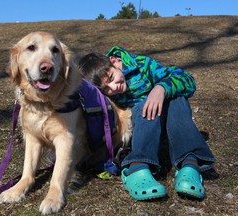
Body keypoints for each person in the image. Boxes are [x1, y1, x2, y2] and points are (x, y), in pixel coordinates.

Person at [78, 46, 216, 201]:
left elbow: (187, 79)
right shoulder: (101, 94)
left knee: (177, 97)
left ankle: (189, 163)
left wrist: (160, 89)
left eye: (111, 78)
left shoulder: (143, 65)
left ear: (115, 62)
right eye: (106, 89)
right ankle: (138, 165)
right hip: (141, 127)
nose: (113, 87)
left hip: (168, 124)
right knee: (143, 106)